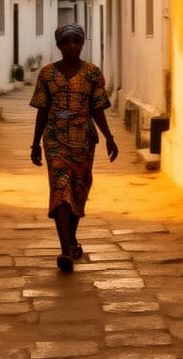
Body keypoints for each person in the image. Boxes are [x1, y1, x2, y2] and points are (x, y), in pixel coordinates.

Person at [29, 23, 118, 273]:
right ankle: (65, 251)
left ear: (82, 43)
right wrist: (35, 143)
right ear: (58, 45)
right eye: (66, 42)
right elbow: (42, 110)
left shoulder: (92, 73)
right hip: (55, 139)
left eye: (76, 41)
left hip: (83, 140)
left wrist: (109, 137)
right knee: (60, 189)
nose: (71, 46)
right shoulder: (47, 74)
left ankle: (71, 239)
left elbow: (97, 108)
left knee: (78, 190)